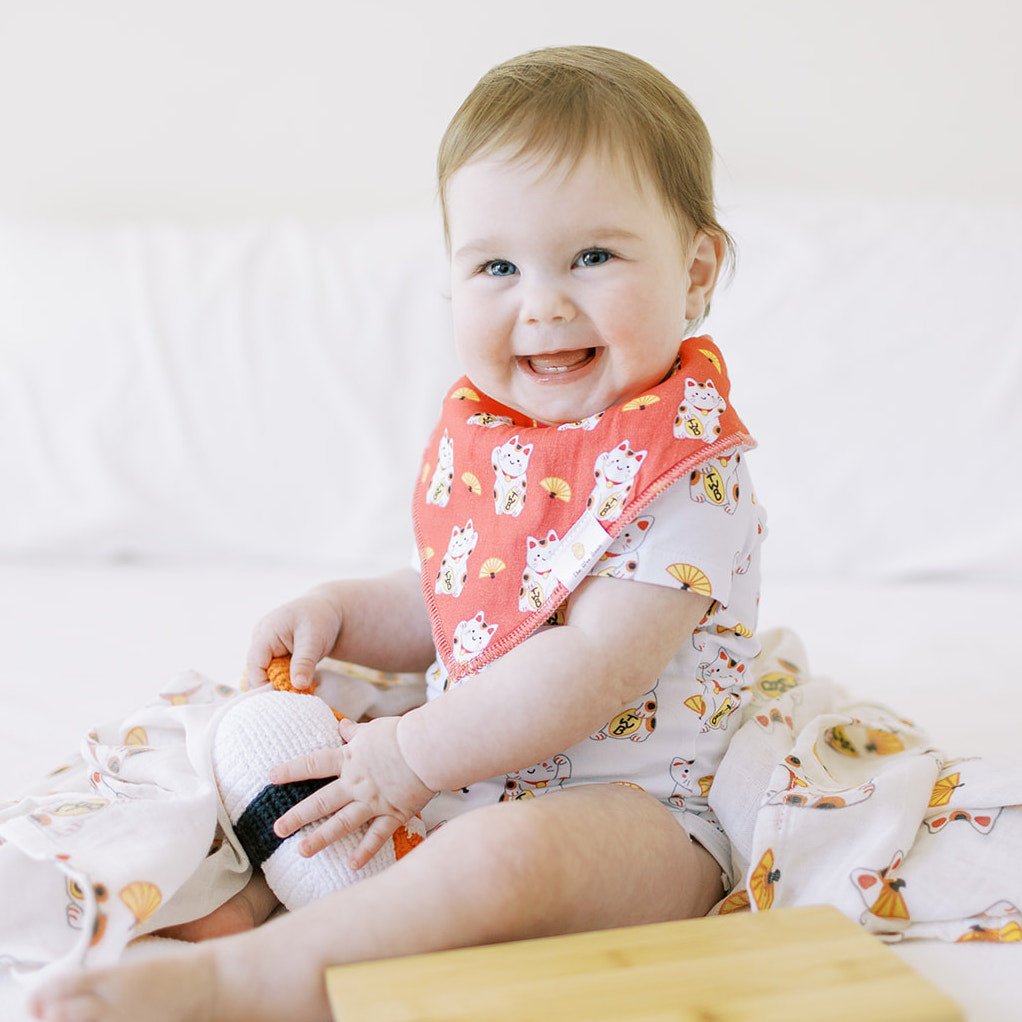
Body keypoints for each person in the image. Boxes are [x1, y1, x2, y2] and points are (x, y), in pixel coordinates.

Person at [29, 44, 764, 1022]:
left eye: (592, 255)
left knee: (505, 853)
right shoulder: (505, 445)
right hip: (460, 768)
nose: (539, 300)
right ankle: (254, 906)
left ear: (695, 271)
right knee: (275, 739)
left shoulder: (688, 472)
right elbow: (460, 600)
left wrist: (412, 758)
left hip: (647, 819)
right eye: (496, 264)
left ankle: (250, 980)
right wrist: (340, 610)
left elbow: (592, 662)